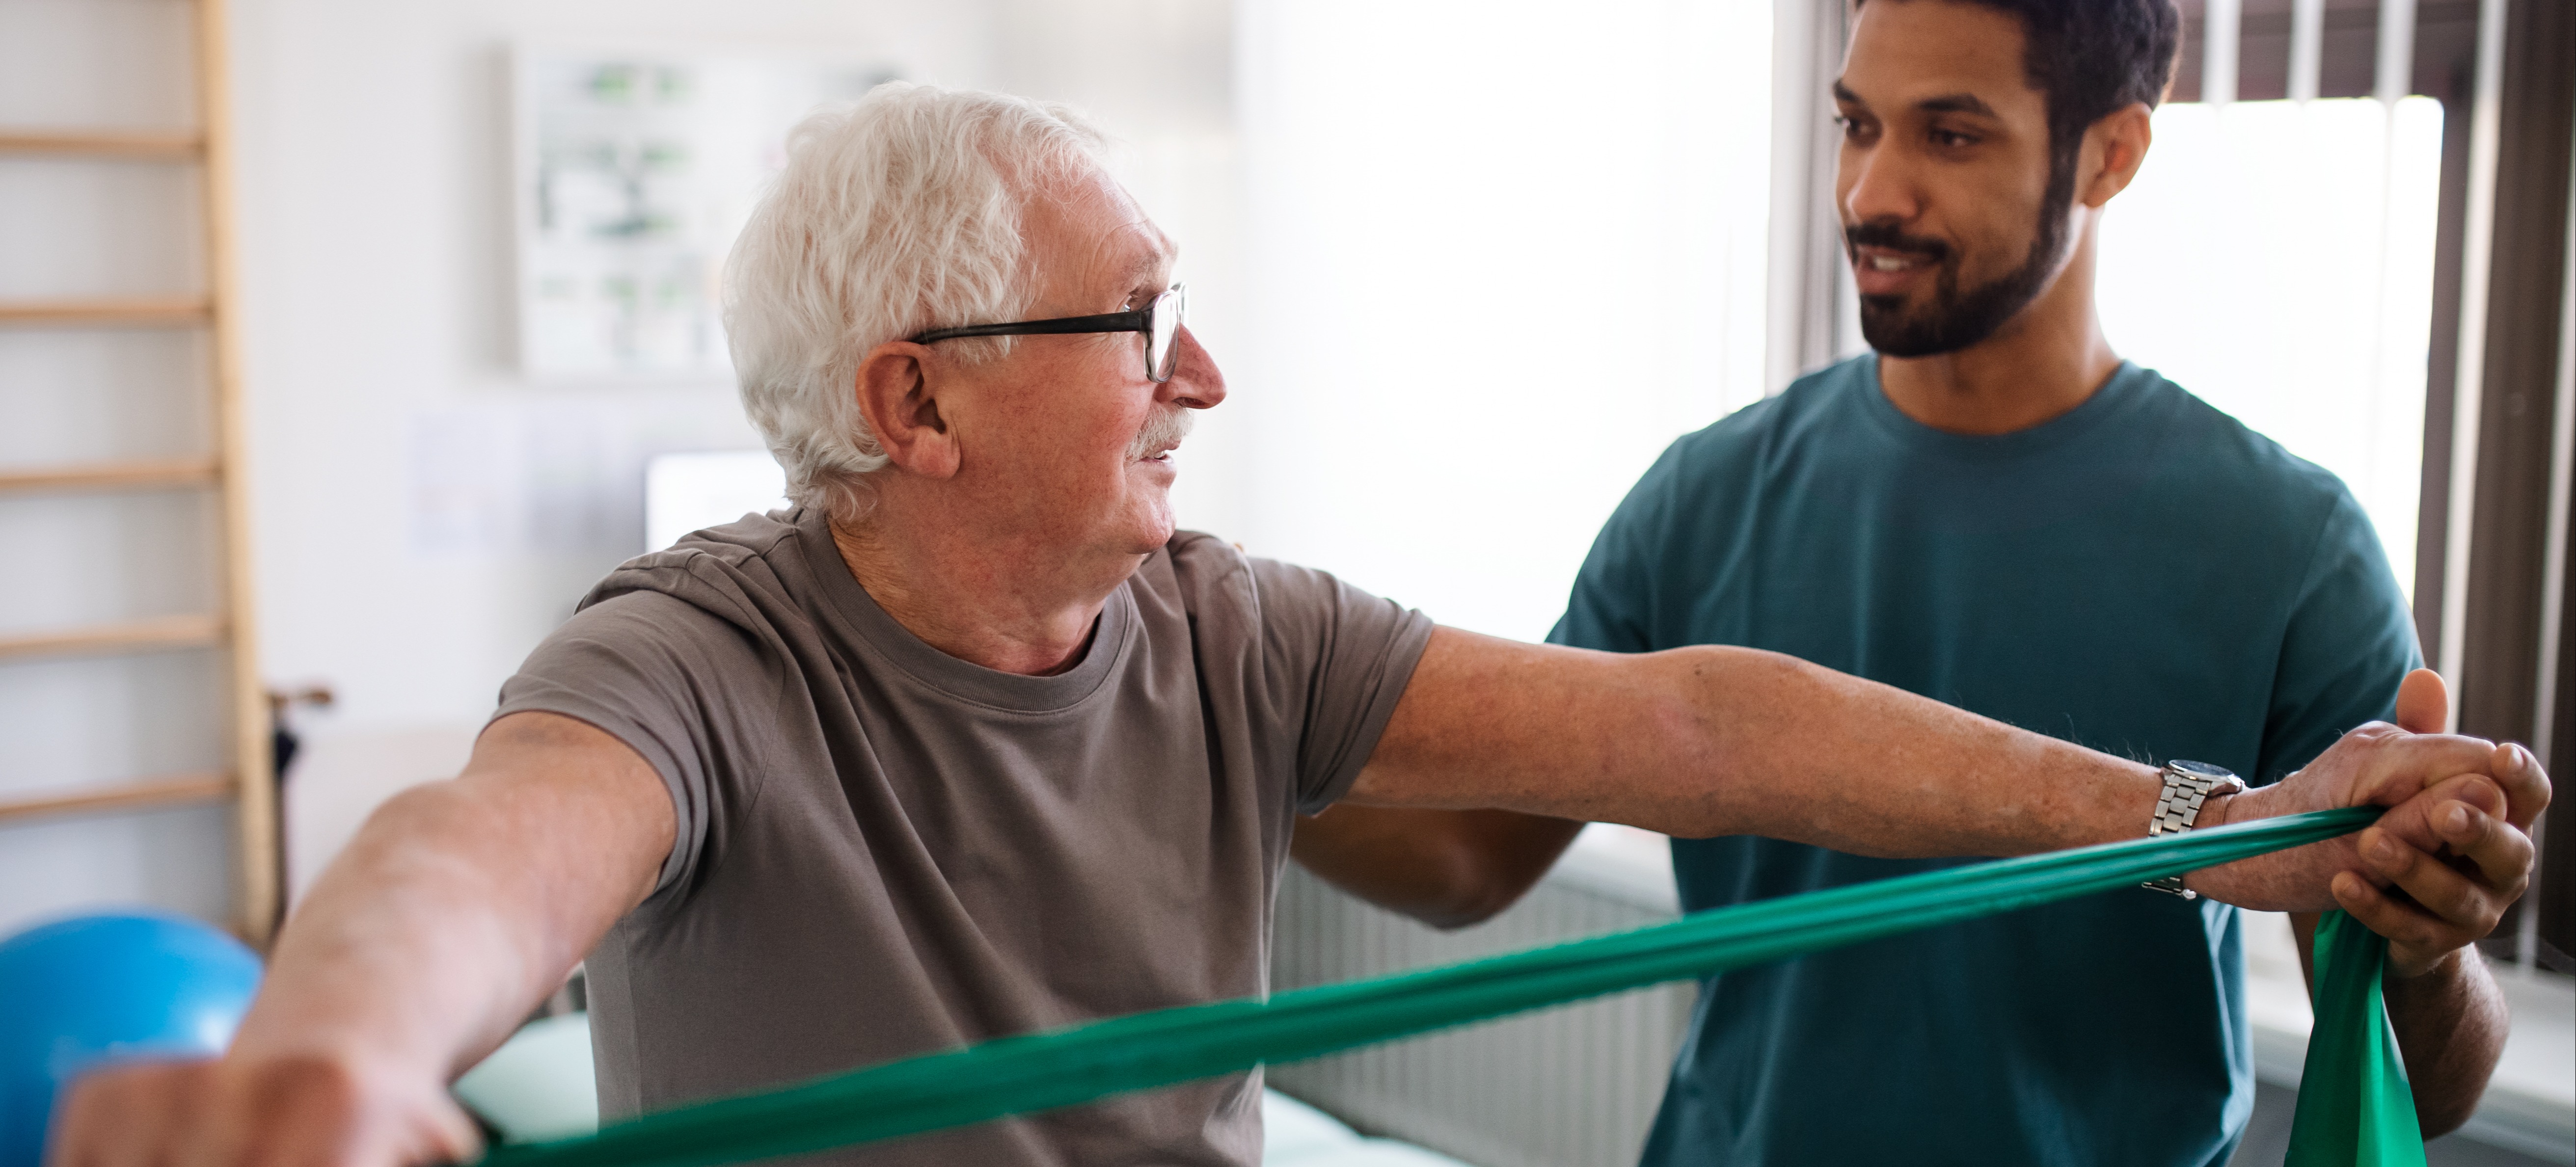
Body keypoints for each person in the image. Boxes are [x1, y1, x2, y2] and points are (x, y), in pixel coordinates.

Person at [52, 83, 2540, 1167]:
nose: (1207, 375)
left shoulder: (1226, 625)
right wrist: (327, 1051)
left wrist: (2194, 819)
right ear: (913, 400)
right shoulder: (703, 655)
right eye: (1136, 321)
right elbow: (486, 849)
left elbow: (1685, 720)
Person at [1291, 1, 2550, 1164]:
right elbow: (1468, 856)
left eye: (1948, 134)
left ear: (2109, 154)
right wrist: (1204, 727)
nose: (1866, 190)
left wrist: (2428, 950)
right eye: (1854, 124)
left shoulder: (2292, 542)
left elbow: (2417, 1082)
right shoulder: (1705, 494)